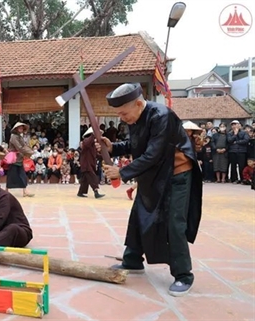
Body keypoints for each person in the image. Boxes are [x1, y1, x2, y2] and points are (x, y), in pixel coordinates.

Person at [97, 83, 202, 297]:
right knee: (139, 215)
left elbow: (154, 153)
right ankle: (133, 260)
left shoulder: (162, 116)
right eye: (119, 115)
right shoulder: (136, 117)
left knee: (174, 223)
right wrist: (113, 147)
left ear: (138, 103)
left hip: (176, 175)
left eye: (124, 113)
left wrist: (122, 172)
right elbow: (136, 144)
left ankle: (183, 275)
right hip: (153, 174)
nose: (122, 118)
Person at [7, 122, 35, 197]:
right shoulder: (13, 136)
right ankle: (6, 191)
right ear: (16, 128)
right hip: (14, 158)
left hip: (20, 158)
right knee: (11, 175)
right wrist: (30, 152)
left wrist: (30, 151)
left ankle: (25, 191)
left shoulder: (20, 136)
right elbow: (19, 147)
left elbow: (24, 146)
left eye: (22, 128)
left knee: (23, 175)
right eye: (19, 128)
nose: (21, 129)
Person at [77, 127, 104, 199]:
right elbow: (88, 142)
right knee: (92, 177)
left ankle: (80, 192)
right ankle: (96, 192)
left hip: (90, 164)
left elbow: (95, 154)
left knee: (85, 180)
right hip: (86, 164)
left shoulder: (92, 145)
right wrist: (94, 134)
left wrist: (102, 156)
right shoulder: (85, 142)